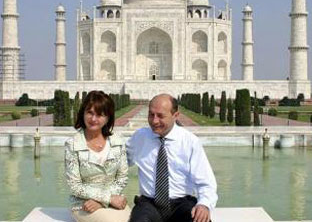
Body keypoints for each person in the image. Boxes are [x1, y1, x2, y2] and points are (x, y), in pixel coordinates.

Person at [126, 93, 218, 222]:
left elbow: (205, 182)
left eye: (160, 116)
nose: (154, 121)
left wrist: (204, 204)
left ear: (176, 116)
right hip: (149, 204)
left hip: (182, 204)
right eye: (151, 114)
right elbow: (118, 164)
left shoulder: (190, 141)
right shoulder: (140, 137)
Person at [64, 90, 131, 222]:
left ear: (108, 118)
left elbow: (122, 179)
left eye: (100, 114)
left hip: (115, 201)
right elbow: (75, 186)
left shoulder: (117, 142)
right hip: (84, 204)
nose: (93, 119)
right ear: (82, 113)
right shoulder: (73, 145)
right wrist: (108, 199)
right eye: (90, 113)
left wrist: (102, 202)